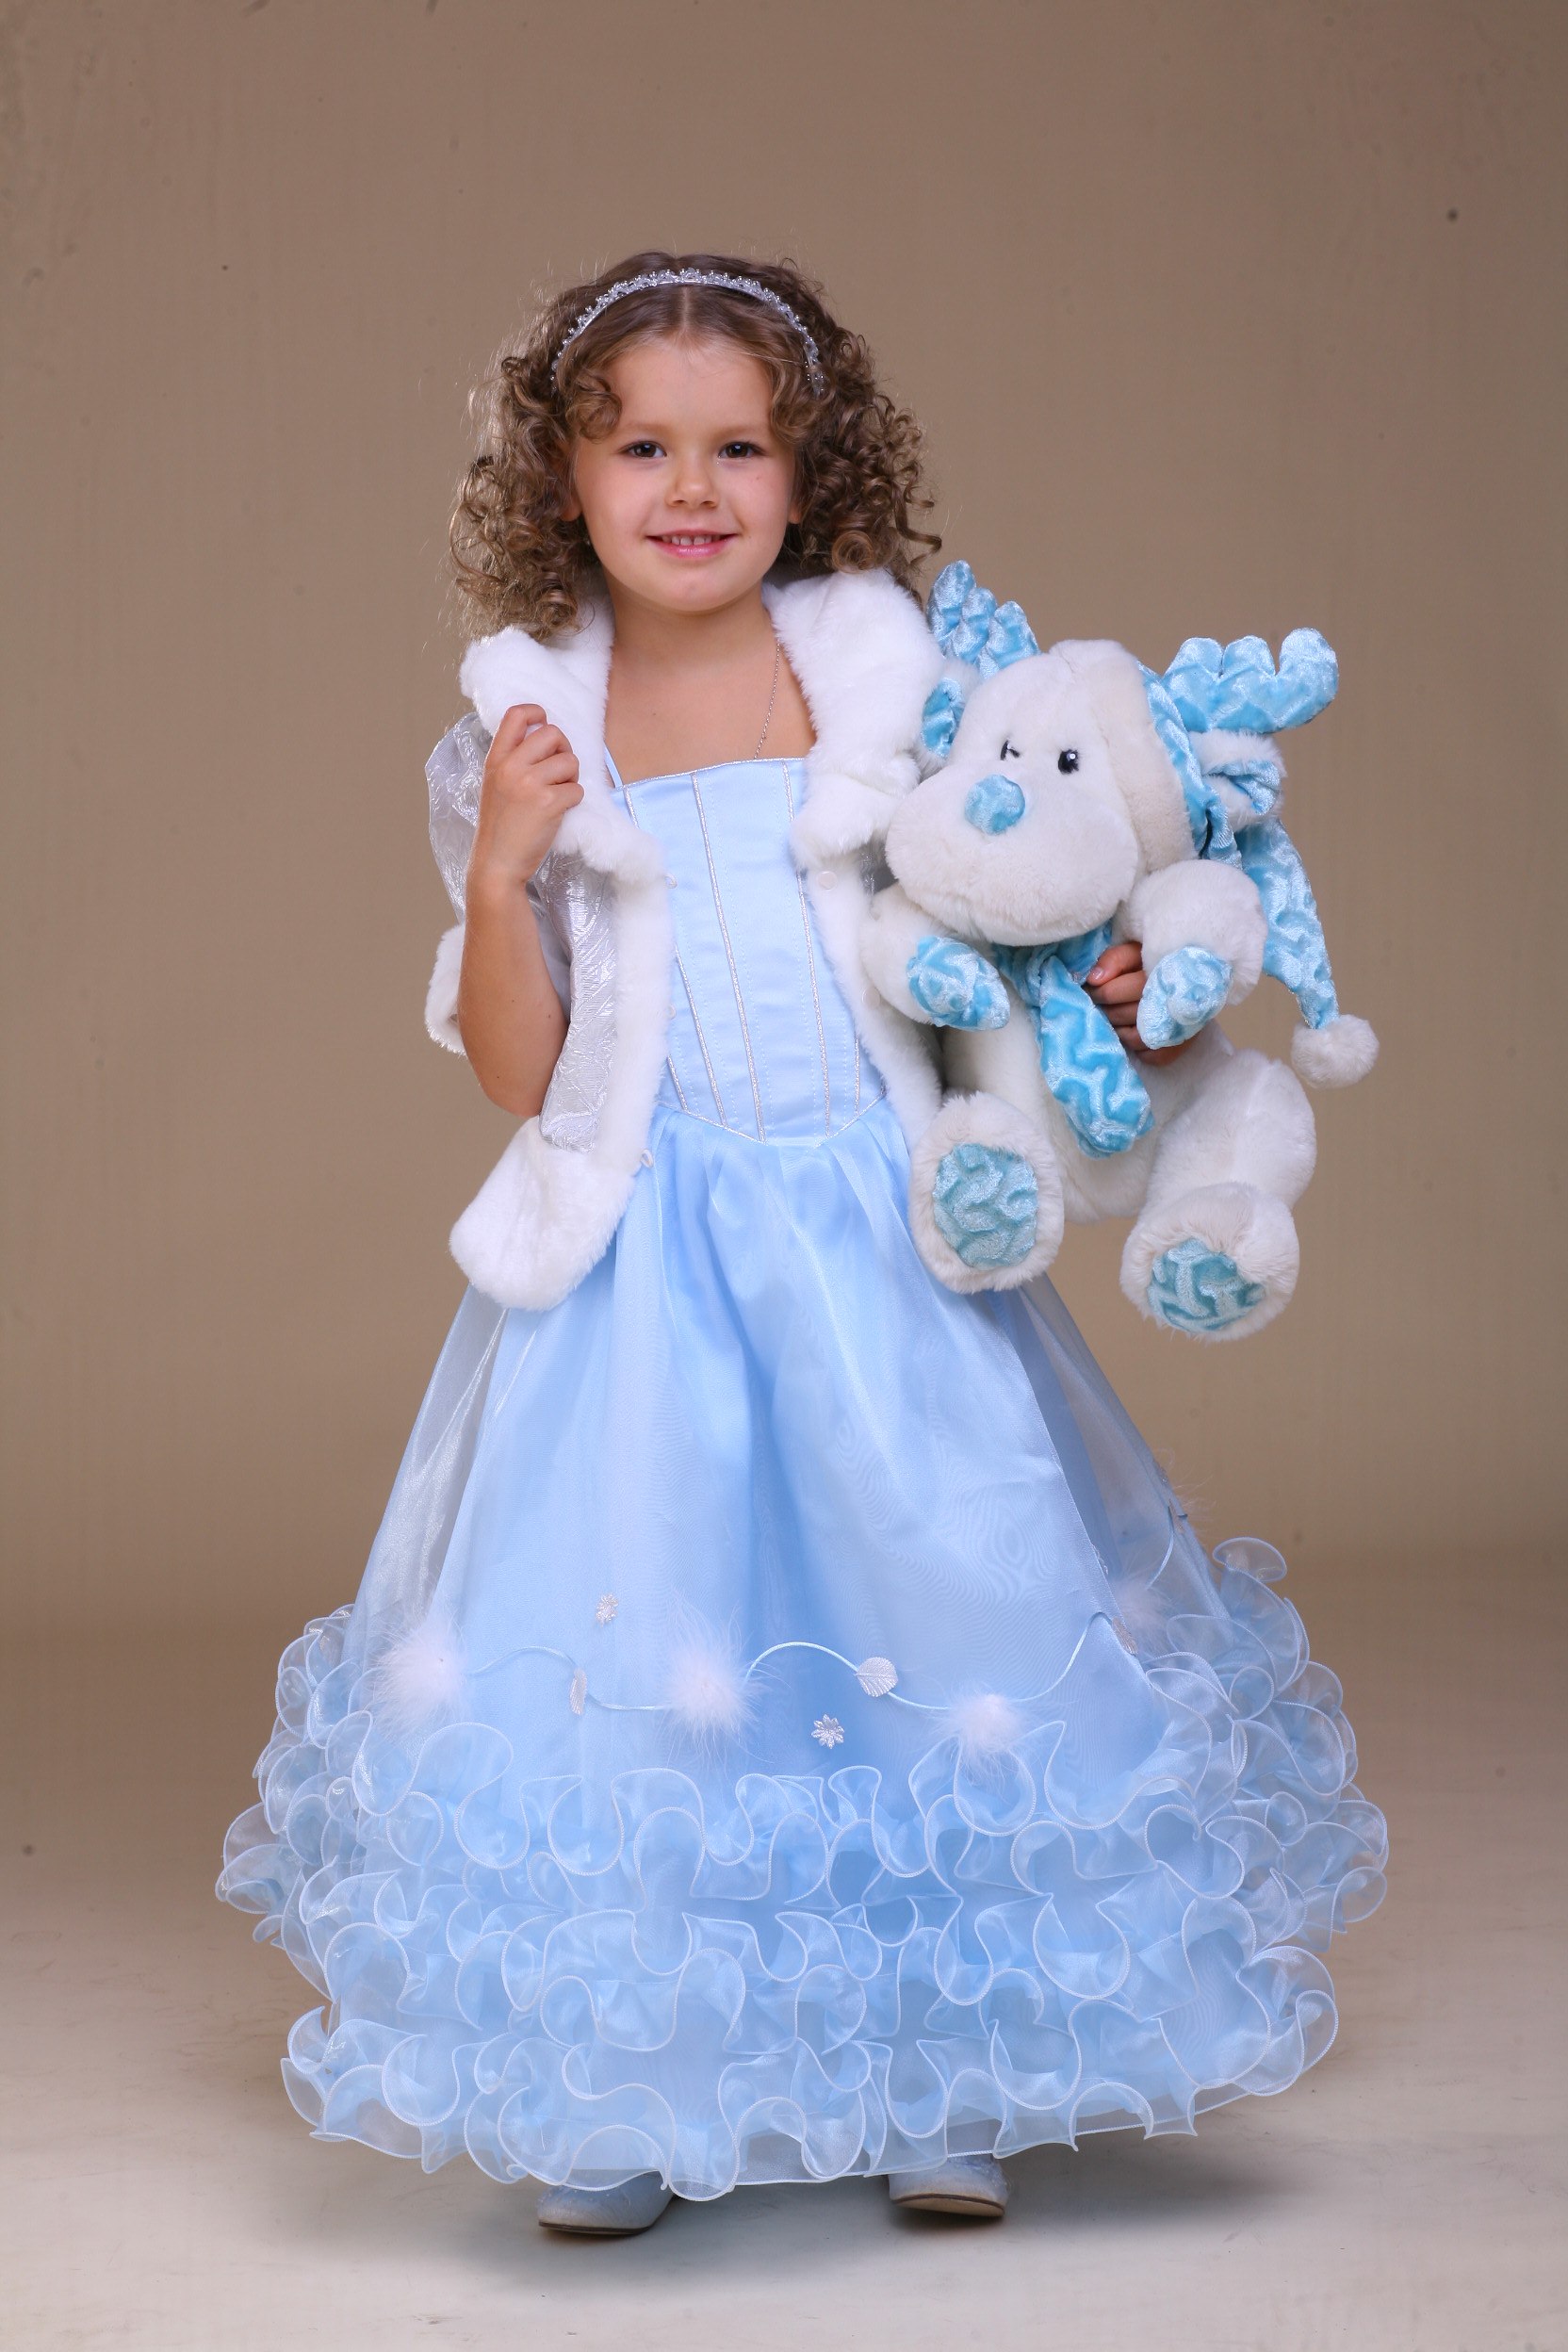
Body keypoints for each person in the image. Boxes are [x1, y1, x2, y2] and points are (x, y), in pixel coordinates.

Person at [219, 253, 1386, 2235]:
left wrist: (1106, 980)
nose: (691, 488)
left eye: (738, 447)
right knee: (648, 1639)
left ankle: (947, 2057)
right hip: (644, 1266)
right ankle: (629, 2082)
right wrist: (502, 875)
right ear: (562, 478)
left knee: (934, 1605)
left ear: (809, 468)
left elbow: (1002, 918)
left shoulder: (885, 691)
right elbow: (520, 1070)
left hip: (874, 1231)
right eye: (641, 449)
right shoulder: (530, 735)